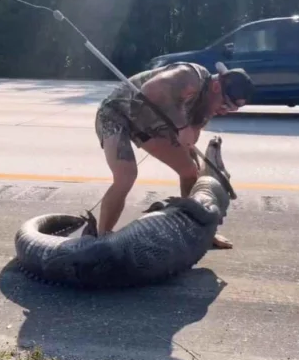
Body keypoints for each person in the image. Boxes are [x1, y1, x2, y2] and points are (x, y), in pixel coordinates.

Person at [94, 61, 254, 248]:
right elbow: (151, 89)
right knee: (126, 176)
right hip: (117, 114)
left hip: (146, 123)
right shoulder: (189, 76)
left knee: (189, 171)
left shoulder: (209, 104)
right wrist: (181, 126)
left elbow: (191, 135)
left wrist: (188, 138)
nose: (225, 111)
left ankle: (197, 230)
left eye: (232, 109)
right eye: (226, 104)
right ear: (217, 86)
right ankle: (101, 240)